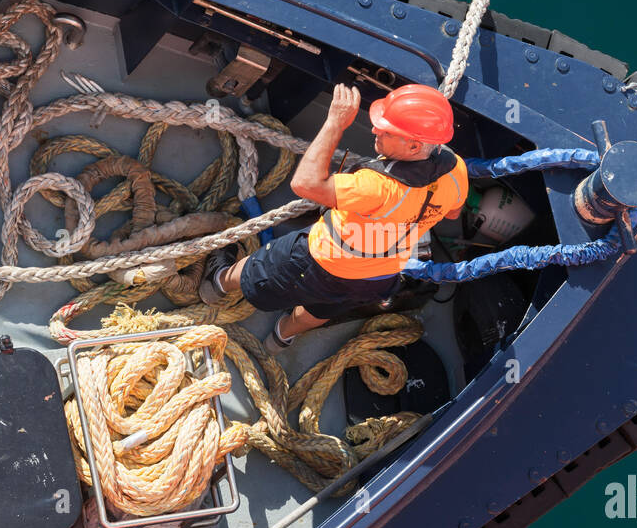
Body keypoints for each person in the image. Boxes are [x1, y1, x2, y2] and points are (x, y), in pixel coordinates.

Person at [199, 81, 468, 352]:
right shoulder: (456, 172)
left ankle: (216, 285)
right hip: (379, 278)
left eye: (387, 131)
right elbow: (453, 212)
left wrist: (335, 123)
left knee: (259, 267)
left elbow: (305, 184)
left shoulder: (376, 187)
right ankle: (280, 338)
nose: (375, 130)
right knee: (324, 308)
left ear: (413, 147)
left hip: (320, 261)